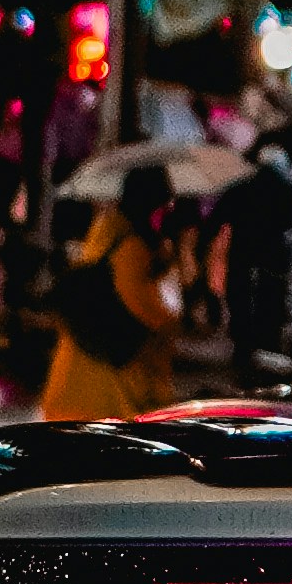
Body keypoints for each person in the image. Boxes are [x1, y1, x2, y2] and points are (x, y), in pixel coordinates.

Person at [40, 155, 188, 423]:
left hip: (79, 369)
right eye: (166, 199)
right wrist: (171, 278)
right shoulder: (133, 248)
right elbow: (149, 311)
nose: (170, 207)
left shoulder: (107, 232)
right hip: (108, 387)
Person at [217, 120, 292, 363]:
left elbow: (218, 217)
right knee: (272, 298)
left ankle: (243, 344)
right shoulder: (286, 189)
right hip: (274, 254)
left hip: (243, 251)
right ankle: (267, 343)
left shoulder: (241, 187)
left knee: (241, 296)